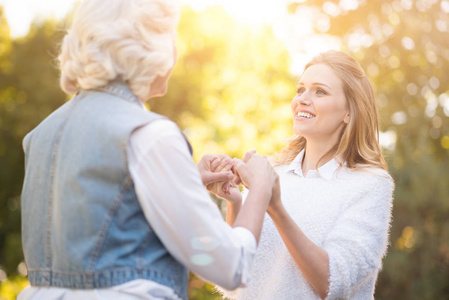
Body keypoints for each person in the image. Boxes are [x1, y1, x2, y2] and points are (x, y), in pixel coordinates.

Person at [18, 0, 278, 300]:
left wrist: (185, 180)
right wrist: (259, 189)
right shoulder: (149, 135)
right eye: (170, 35)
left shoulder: (40, 135)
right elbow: (229, 266)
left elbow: (101, 218)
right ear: (148, 46)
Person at [211, 50, 394, 299]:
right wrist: (234, 202)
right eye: (300, 90)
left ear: (349, 112)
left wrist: (275, 207)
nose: (302, 99)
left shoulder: (370, 185)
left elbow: (334, 284)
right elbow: (231, 279)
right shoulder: (273, 173)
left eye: (320, 91)